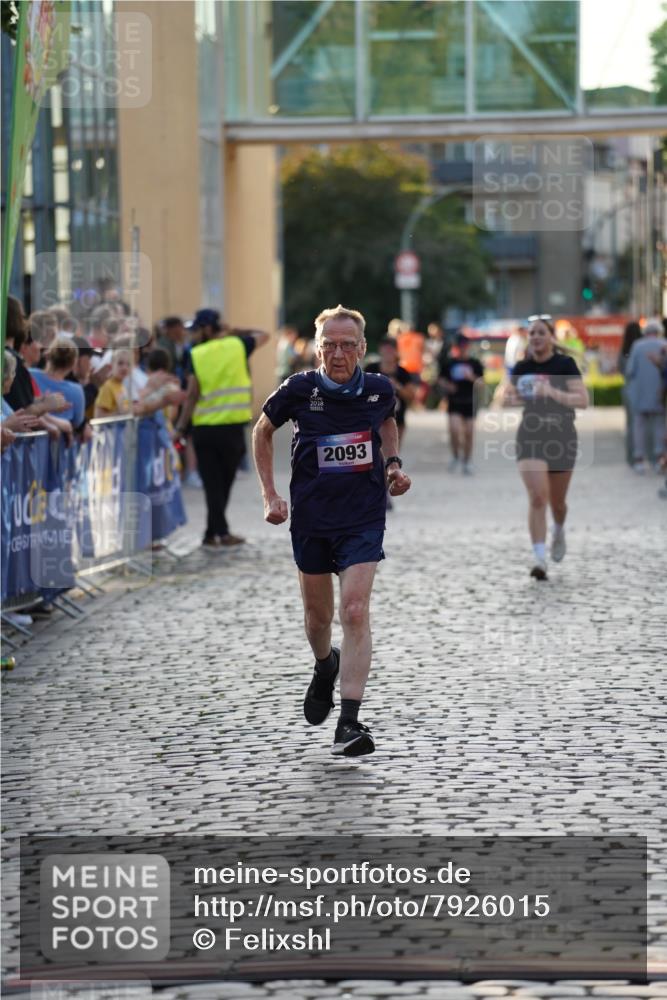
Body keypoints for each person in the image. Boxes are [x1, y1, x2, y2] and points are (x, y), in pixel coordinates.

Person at [252, 304, 412, 757]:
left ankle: (349, 722)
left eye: (347, 345)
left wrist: (394, 465)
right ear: (316, 347)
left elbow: (385, 420)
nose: (337, 353)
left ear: (362, 348)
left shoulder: (379, 389)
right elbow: (262, 432)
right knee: (318, 620)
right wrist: (269, 495)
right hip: (312, 519)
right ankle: (325, 666)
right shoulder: (299, 390)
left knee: (356, 611)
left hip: (362, 516)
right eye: (329, 345)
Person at [174, 308, 269, 549]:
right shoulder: (238, 344)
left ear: (207, 328)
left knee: (213, 484)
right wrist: (235, 330)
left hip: (204, 429)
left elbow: (192, 394)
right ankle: (220, 532)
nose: (193, 335)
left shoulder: (194, 354)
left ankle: (212, 532)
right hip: (231, 429)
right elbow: (265, 335)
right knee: (223, 483)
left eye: (196, 329)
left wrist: (182, 427)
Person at [501, 315, 588, 580]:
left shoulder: (564, 364)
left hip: (562, 436)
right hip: (531, 435)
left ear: (551, 337)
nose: (536, 337)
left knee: (557, 503)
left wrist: (551, 392)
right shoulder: (521, 367)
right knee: (538, 497)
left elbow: (582, 400)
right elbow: (506, 400)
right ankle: (540, 559)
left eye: (541, 333)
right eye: (532, 333)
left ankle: (559, 529)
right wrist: (511, 396)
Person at [438, 333, 484, 475]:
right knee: (455, 430)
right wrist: (447, 385)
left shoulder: (475, 363)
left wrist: (472, 378)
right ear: (456, 347)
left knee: (469, 433)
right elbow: (440, 379)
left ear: (468, 347)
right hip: (454, 401)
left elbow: (481, 383)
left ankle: (467, 461)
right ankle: (455, 455)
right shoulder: (450, 363)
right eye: (460, 346)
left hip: (470, 402)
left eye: (465, 346)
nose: (462, 349)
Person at [625, 318, 665, 474]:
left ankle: (639, 459)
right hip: (659, 394)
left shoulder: (637, 346)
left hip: (639, 394)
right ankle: (658, 458)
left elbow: (630, 371)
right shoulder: (664, 345)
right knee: (659, 426)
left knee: (638, 426)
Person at [364, 337, 416, 449]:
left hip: (398, 419)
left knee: (393, 454)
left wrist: (397, 386)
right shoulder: (370, 369)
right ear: (380, 350)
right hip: (374, 419)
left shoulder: (403, 373)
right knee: (377, 453)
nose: (388, 352)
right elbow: (360, 392)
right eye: (385, 349)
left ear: (396, 351)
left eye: (391, 349)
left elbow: (411, 396)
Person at [618, 321, 643, 467]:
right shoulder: (641, 349)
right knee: (645, 423)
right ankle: (646, 455)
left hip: (628, 389)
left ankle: (631, 457)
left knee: (631, 424)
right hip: (643, 389)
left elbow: (622, 371)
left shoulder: (624, 350)